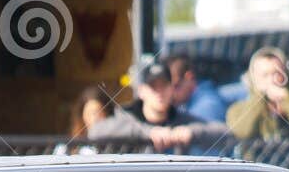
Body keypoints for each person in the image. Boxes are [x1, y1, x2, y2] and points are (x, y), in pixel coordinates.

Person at [88, 62, 228, 153]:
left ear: (172, 89)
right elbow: (95, 132)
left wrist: (192, 132)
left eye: (164, 86)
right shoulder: (124, 117)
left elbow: (226, 134)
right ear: (142, 91)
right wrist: (149, 133)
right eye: (153, 87)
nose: (159, 92)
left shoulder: (182, 120)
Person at [227, 46, 289, 144]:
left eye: (277, 73)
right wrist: (259, 99)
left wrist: (288, 100)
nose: (271, 80)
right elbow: (243, 132)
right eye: (265, 75)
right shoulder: (236, 110)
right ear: (252, 79)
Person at [166, 53, 228, 123]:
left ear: (189, 77)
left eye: (175, 86)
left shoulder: (206, 108)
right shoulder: (186, 103)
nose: (170, 94)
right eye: (166, 88)